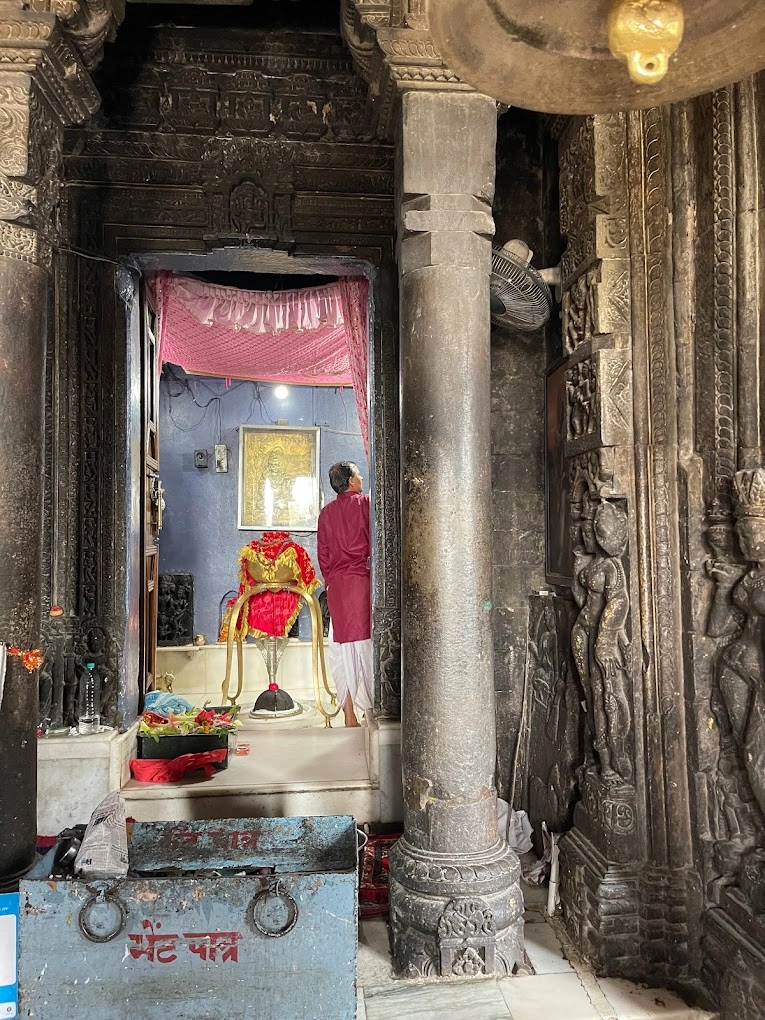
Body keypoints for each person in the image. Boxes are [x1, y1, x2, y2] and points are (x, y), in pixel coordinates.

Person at [317, 461, 372, 727]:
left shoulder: (326, 513)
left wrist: (333, 582)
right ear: (351, 481)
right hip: (362, 585)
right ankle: (372, 712)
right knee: (366, 650)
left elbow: (323, 557)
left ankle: (349, 715)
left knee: (342, 651)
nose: (361, 478)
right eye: (358, 475)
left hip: (337, 589)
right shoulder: (366, 505)